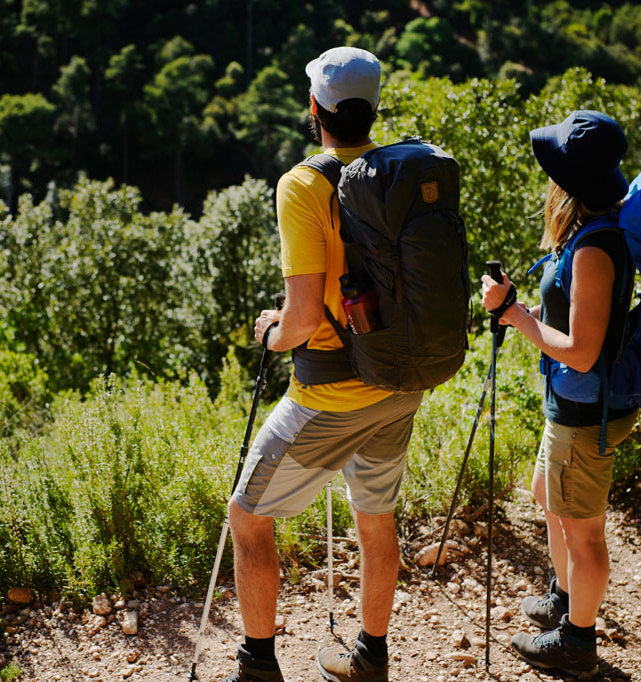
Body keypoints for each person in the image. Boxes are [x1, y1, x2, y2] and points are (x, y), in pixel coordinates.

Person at [228, 47, 422, 682]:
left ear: (315, 110)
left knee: (248, 518)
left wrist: (272, 334)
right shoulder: (401, 173)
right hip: (400, 381)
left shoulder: (304, 184)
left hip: (333, 395)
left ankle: (257, 667)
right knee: (375, 514)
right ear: (373, 110)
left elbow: (304, 320)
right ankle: (370, 656)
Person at [480, 110, 639, 677]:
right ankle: (564, 597)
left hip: (584, 409)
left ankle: (577, 641)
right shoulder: (591, 231)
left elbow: (581, 350)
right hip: (573, 405)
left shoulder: (597, 248)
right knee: (549, 495)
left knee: (583, 529)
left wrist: (512, 313)